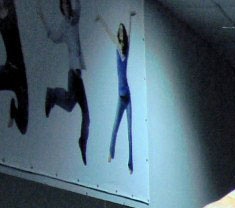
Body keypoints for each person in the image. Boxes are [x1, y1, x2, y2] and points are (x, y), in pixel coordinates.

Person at [40, 0, 89, 164]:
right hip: (73, 72)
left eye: (68, 5)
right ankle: (53, 94)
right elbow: (54, 37)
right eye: (64, 6)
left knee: (71, 106)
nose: (67, 7)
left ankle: (53, 94)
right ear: (62, 8)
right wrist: (43, 20)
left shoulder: (74, 20)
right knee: (83, 112)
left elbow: (79, 7)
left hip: (77, 73)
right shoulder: (64, 26)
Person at [95, 10, 135, 173]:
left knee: (129, 130)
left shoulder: (126, 49)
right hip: (121, 96)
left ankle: (130, 164)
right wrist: (101, 20)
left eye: (121, 32)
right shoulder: (118, 48)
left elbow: (130, 34)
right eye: (119, 32)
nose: (120, 34)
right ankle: (110, 153)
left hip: (127, 95)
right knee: (115, 126)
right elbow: (109, 33)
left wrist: (130, 19)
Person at [1, 0, 28, 134]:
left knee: (23, 126)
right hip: (10, 70)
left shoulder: (11, 17)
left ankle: (14, 112)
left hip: (18, 74)